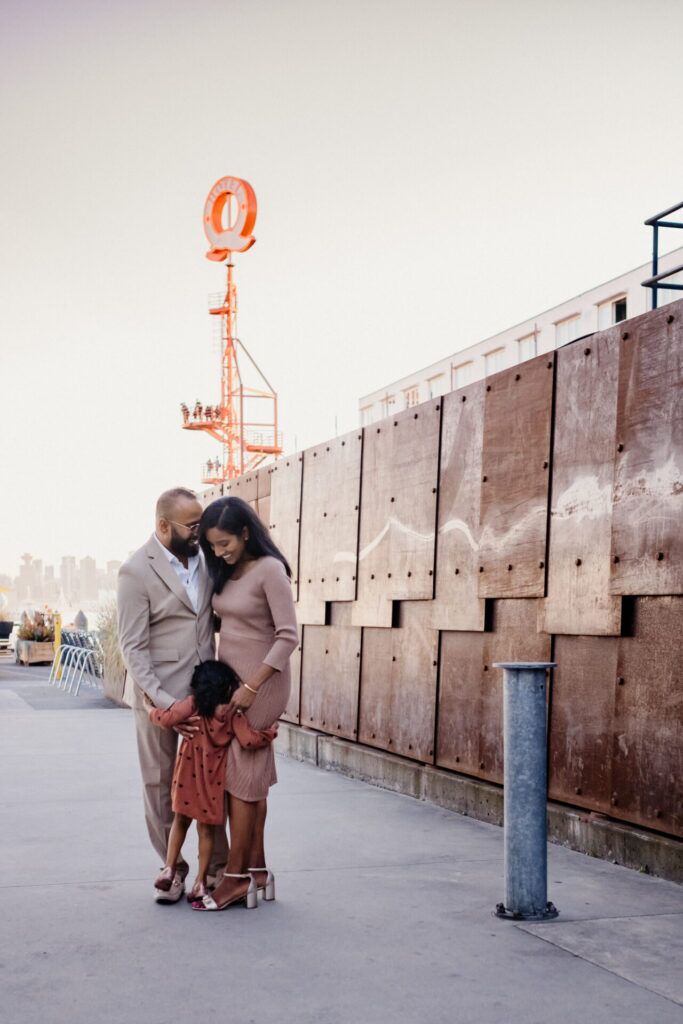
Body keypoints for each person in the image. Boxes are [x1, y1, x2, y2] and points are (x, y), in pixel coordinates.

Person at [117, 487, 229, 904]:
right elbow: (133, 647)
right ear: (163, 525)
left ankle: (217, 870)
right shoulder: (135, 571)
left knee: (211, 784)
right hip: (158, 700)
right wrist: (163, 703)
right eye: (193, 525)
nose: (201, 531)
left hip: (206, 694)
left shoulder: (207, 560)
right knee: (160, 783)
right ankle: (174, 869)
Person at [195, 496, 298, 911]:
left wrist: (252, 687)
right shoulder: (227, 570)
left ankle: (236, 878)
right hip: (231, 683)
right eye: (212, 546)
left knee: (241, 778)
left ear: (244, 531)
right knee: (248, 779)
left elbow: (288, 636)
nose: (219, 552)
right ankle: (257, 870)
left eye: (224, 543)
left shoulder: (270, 571)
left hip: (260, 685)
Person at [149, 660, 278, 906]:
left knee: (180, 821)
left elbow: (166, 719)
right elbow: (249, 740)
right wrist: (270, 733)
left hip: (186, 780)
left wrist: (148, 710)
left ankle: (168, 868)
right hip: (211, 785)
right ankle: (199, 882)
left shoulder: (192, 705)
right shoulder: (232, 714)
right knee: (206, 831)